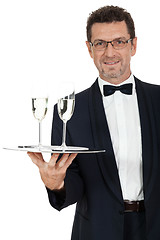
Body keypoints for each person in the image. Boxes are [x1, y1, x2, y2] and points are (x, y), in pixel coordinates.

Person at [27, 5, 160, 240]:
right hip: (96, 231)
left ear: (134, 45)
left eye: (119, 41)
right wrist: (56, 183)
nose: (110, 53)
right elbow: (74, 183)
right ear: (90, 49)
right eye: (100, 43)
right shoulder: (68, 110)